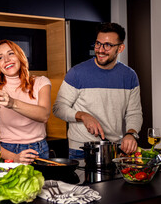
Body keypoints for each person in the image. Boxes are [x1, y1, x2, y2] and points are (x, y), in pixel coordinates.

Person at [53, 22, 143, 159]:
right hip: (81, 149)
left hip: (115, 149)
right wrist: (83, 115)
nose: (100, 50)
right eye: (98, 44)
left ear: (120, 48)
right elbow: (58, 108)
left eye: (107, 45)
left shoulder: (129, 76)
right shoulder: (76, 73)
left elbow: (134, 113)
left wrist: (131, 133)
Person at [0, 39, 52, 164]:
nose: (6, 60)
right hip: (8, 151)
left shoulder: (41, 82)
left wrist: (11, 103)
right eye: (0, 57)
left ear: (20, 56)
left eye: (11, 53)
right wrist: (14, 157)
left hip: (39, 150)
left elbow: (44, 115)